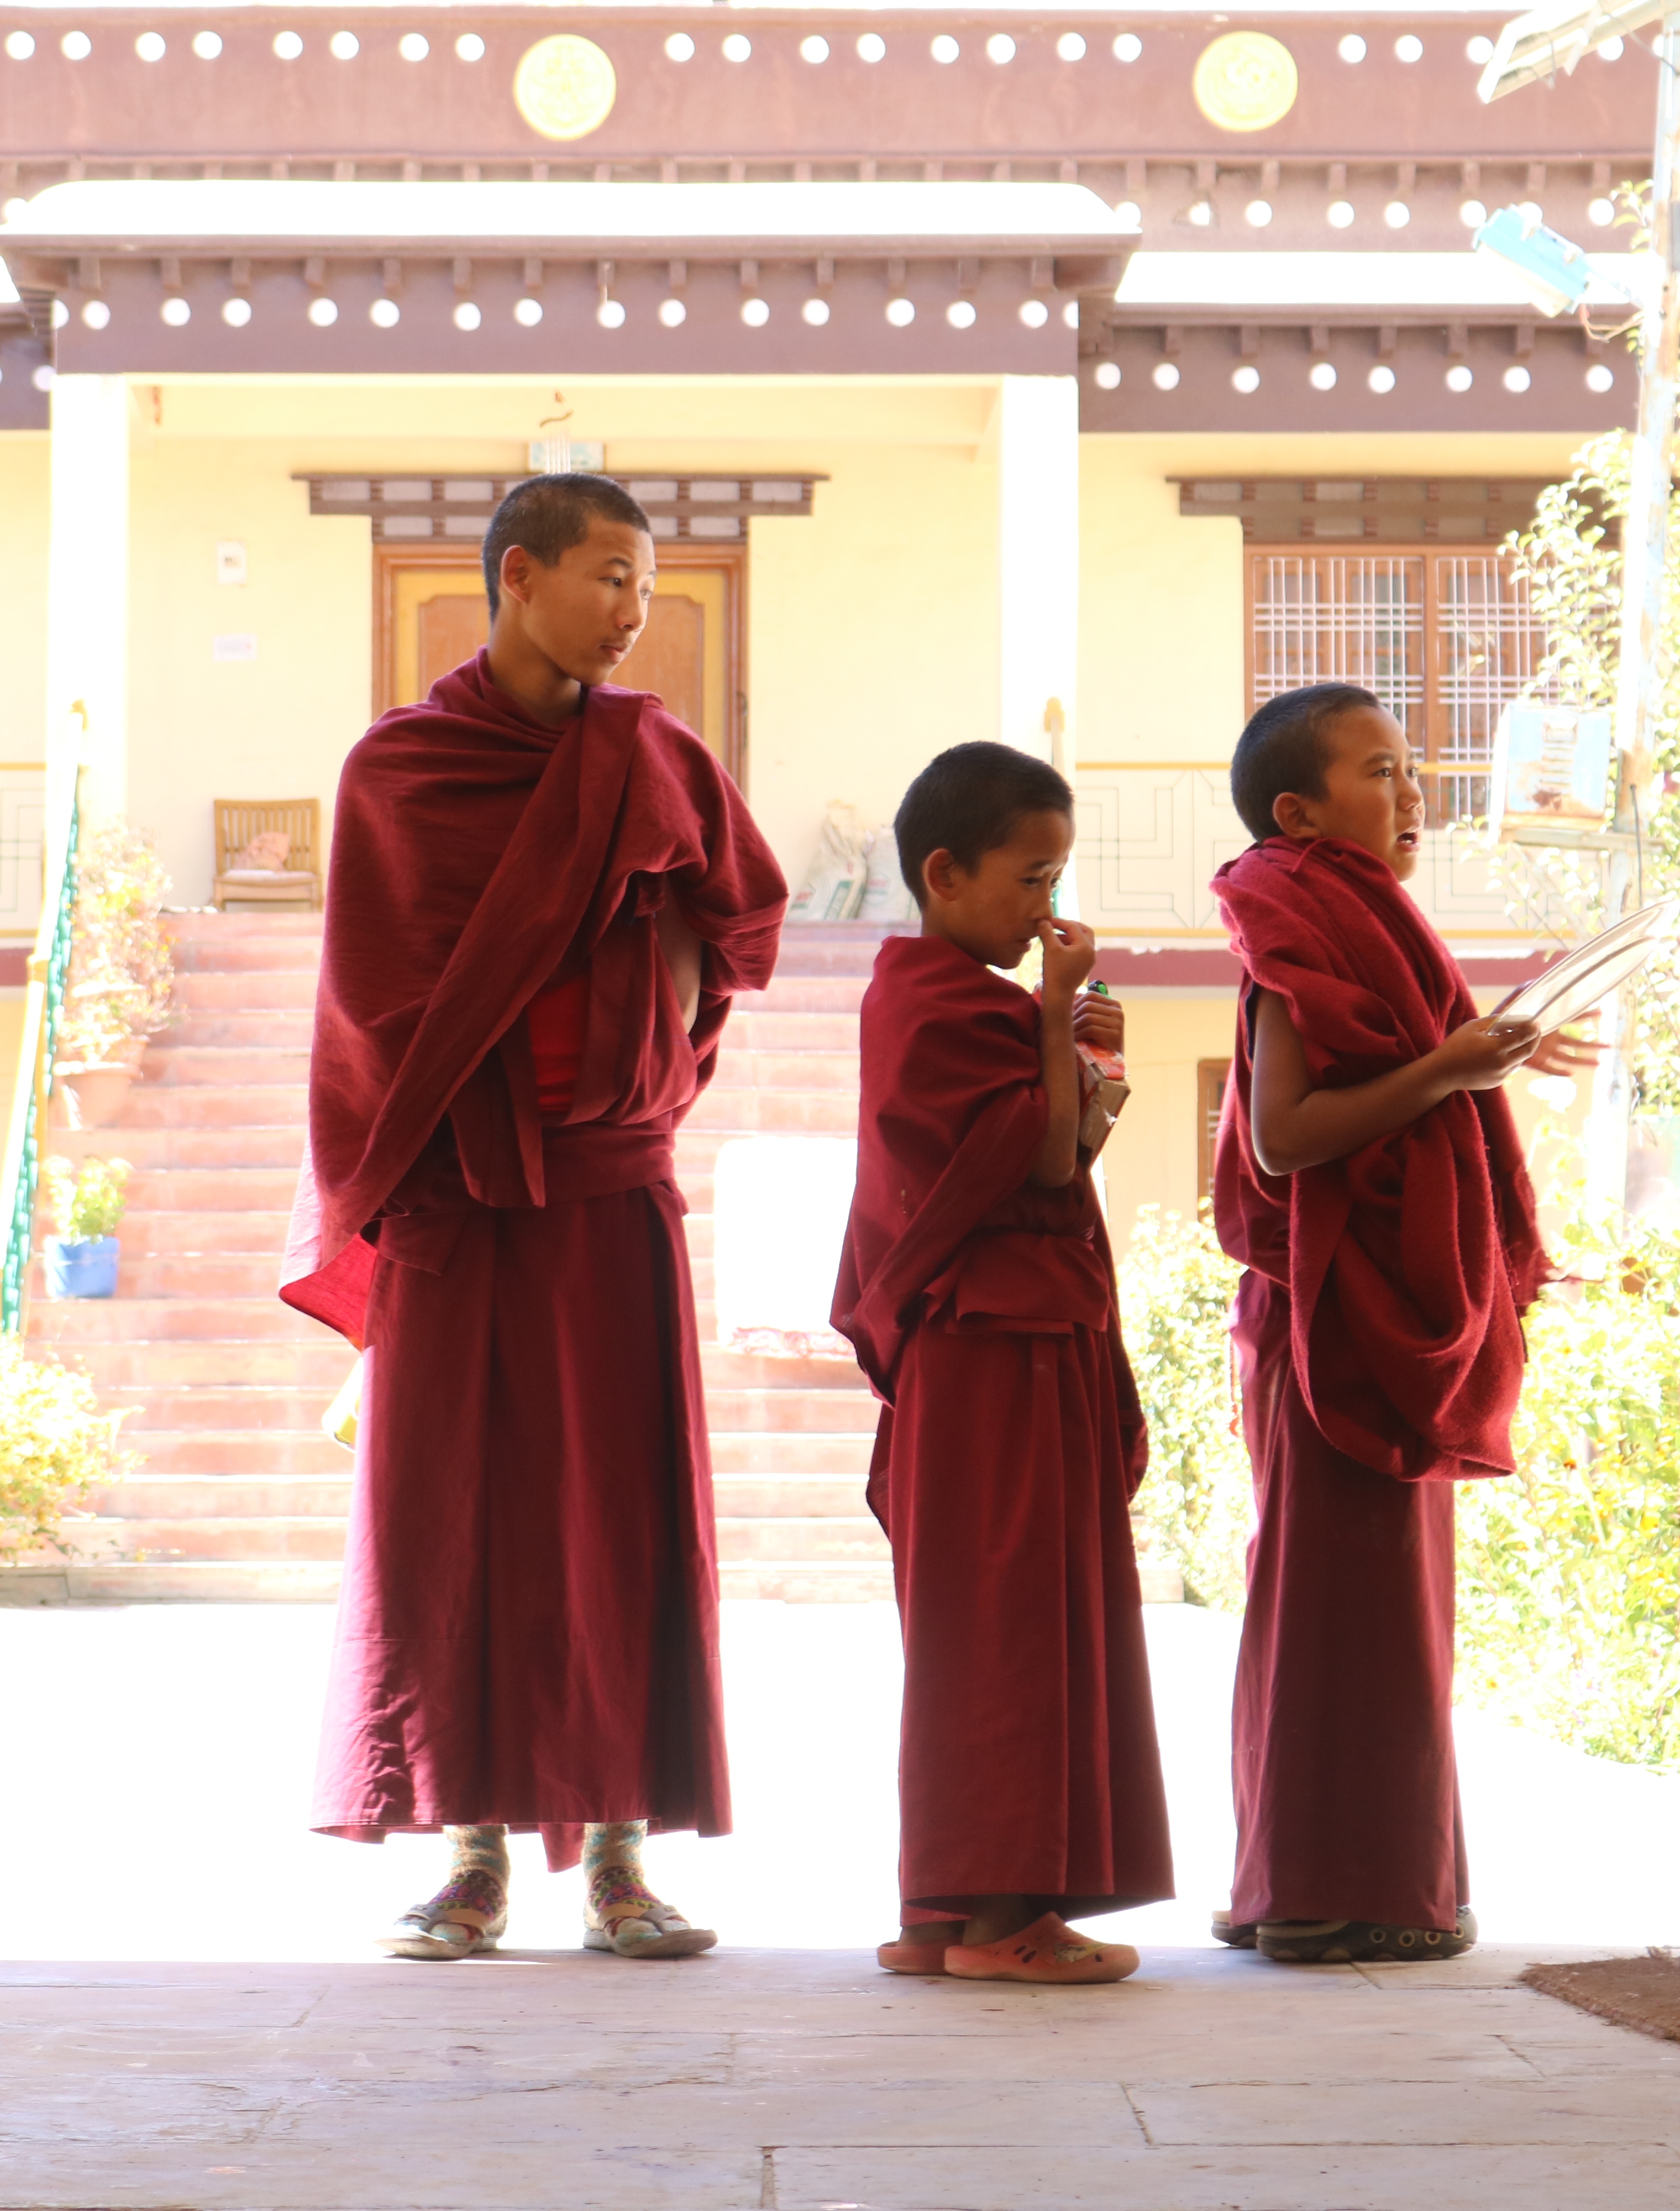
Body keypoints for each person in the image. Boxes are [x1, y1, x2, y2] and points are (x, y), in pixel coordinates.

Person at [280, 473, 788, 1962]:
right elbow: (373, 1003)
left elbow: (742, 920)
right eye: (610, 578)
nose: (634, 612)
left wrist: (659, 1032)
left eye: (647, 586)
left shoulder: (656, 755)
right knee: (456, 1523)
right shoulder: (403, 770)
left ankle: (624, 1857)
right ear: (519, 577)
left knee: (625, 1520)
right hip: (461, 1198)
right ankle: (470, 1856)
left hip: (610, 1185)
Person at [1206, 682, 1592, 1965]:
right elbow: (1287, 1132)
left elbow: (1402, 1060)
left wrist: (1484, 1049)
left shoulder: (1367, 922)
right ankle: (1329, 1889)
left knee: (1376, 1608)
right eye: (1380, 770)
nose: (1414, 791)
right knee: (1339, 1609)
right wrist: (1451, 1069)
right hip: (1330, 1312)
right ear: (1298, 814)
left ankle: (1332, 1879)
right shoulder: (1290, 927)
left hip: (1368, 1300)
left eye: (1412, 766)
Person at [831, 742, 1172, 1987]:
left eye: (1058, 877)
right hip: (997, 1348)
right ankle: (1000, 1921)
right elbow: (1035, 1159)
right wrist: (1052, 1024)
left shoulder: (951, 997)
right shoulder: (935, 1000)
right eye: (1030, 880)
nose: (1048, 910)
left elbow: (1070, 1130)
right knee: (1011, 1630)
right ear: (944, 873)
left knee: (986, 1627)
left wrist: (1091, 1063)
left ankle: (948, 1908)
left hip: (999, 1347)